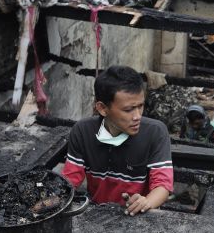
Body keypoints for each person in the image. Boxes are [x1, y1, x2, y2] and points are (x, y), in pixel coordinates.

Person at [62, 66, 173, 216]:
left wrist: (146, 202)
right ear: (102, 108)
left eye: (140, 106)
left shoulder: (155, 132)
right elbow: (69, 181)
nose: (137, 116)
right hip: (97, 214)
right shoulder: (83, 131)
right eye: (128, 110)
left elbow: (162, 185)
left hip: (140, 216)